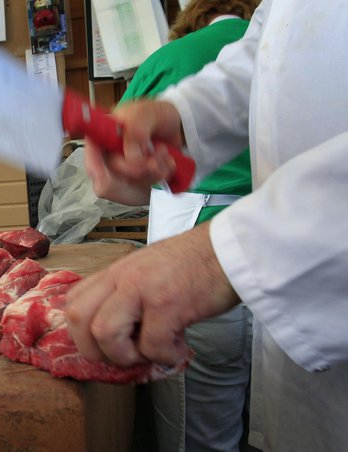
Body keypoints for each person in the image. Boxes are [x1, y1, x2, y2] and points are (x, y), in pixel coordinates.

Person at [66, 1, 348, 450]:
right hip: (274, 283)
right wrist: (183, 116)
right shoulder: (268, 18)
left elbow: (114, 187)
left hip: (243, 268)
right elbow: (273, 57)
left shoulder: (165, 58)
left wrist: (220, 255)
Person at [85, 1, 259, 450]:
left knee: (198, 440)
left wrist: (158, 191)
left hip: (194, 290)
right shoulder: (276, 41)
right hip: (295, 281)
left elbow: (110, 181)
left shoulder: (169, 59)